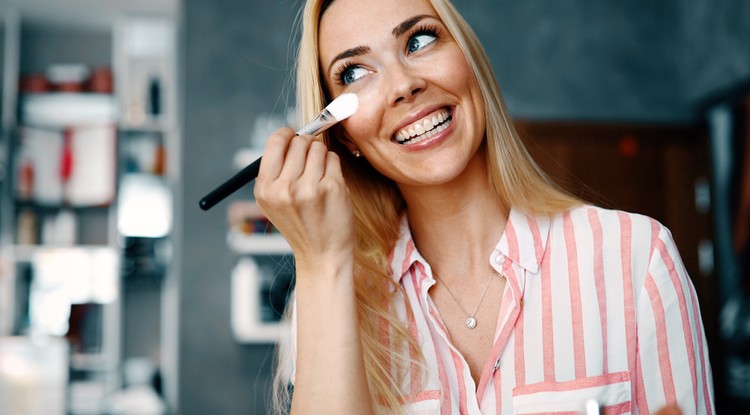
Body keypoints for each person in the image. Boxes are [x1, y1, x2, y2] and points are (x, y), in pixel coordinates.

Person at [253, 0, 715, 413]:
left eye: (419, 40)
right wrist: (323, 263)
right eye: (353, 73)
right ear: (343, 136)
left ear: (469, 61)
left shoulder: (635, 257)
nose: (404, 85)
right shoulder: (324, 300)